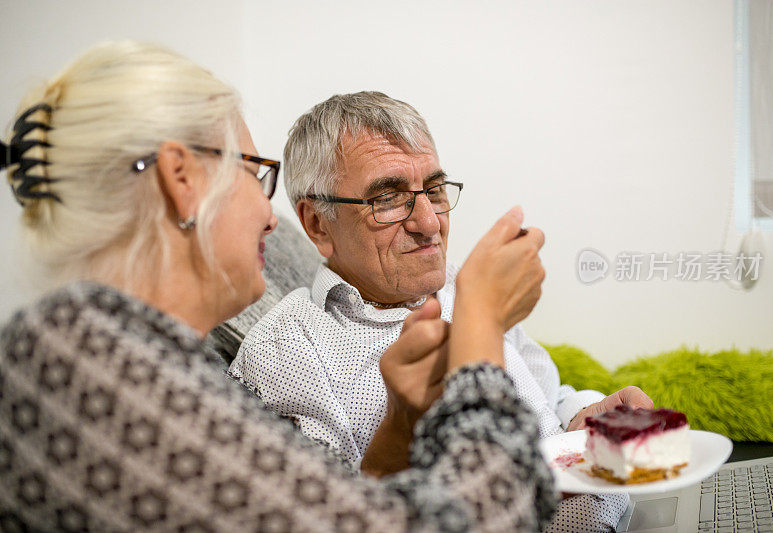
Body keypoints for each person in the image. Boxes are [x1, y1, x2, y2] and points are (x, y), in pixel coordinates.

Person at [0, 42, 559, 531]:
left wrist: (405, 421)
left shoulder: (143, 356)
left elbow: (332, 510)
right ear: (183, 180)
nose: (271, 218)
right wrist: (480, 328)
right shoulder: (82, 357)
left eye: (432, 191)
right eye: (255, 174)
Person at [228, 91, 655, 531]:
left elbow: (548, 397)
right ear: (318, 224)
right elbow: (346, 519)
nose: (430, 223)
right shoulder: (284, 355)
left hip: (633, 513)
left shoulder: (463, 285)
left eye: (434, 190)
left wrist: (584, 417)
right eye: (388, 199)